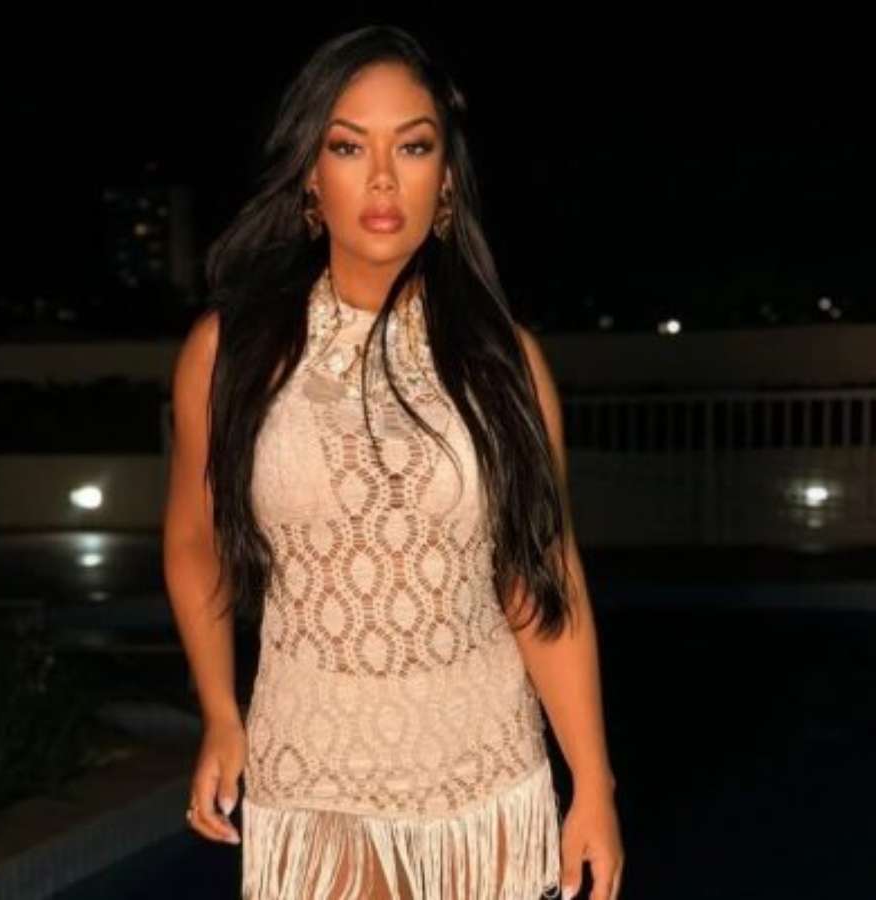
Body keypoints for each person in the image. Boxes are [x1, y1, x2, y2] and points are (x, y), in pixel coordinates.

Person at [163, 24, 623, 900]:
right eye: (348, 147)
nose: (382, 179)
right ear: (310, 173)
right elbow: (194, 539)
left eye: (412, 147)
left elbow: (541, 580)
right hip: (313, 775)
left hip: (483, 782)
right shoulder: (231, 353)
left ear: (445, 178)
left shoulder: (506, 363)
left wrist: (592, 783)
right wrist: (221, 709)